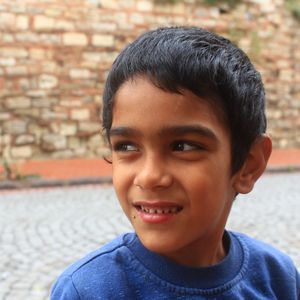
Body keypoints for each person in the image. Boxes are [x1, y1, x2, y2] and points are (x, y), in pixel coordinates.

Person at [51, 26, 300, 299]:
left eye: (183, 146)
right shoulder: (87, 291)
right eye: (127, 146)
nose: (149, 176)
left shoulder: (278, 277)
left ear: (248, 165)